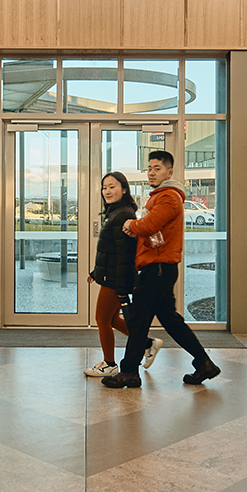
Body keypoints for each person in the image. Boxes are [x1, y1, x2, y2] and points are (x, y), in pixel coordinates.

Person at [102, 150, 221, 388]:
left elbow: (149, 224)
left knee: (138, 319)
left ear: (169, 171)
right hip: (158, 267)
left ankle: (129, 372)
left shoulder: (169, 197)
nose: (151, 173)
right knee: (170, 320)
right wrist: (138, 227)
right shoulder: (159, 196)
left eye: (157, 168)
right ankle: (204, 363)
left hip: (158, 268)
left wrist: (131, 224)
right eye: (149, 168)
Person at [82, 171, 140, 378]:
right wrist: (95, 272)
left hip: (115, 279)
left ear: (124, 189)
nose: (107, 191)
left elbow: (124, 255)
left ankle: (109, 364)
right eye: (104, 187)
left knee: (102, 319)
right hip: (110, 276)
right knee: (113, 319)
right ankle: (147, 343)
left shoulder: (123, 214)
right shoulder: (115, 212)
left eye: (112, 186)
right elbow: (109, 251)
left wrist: (122, 286)